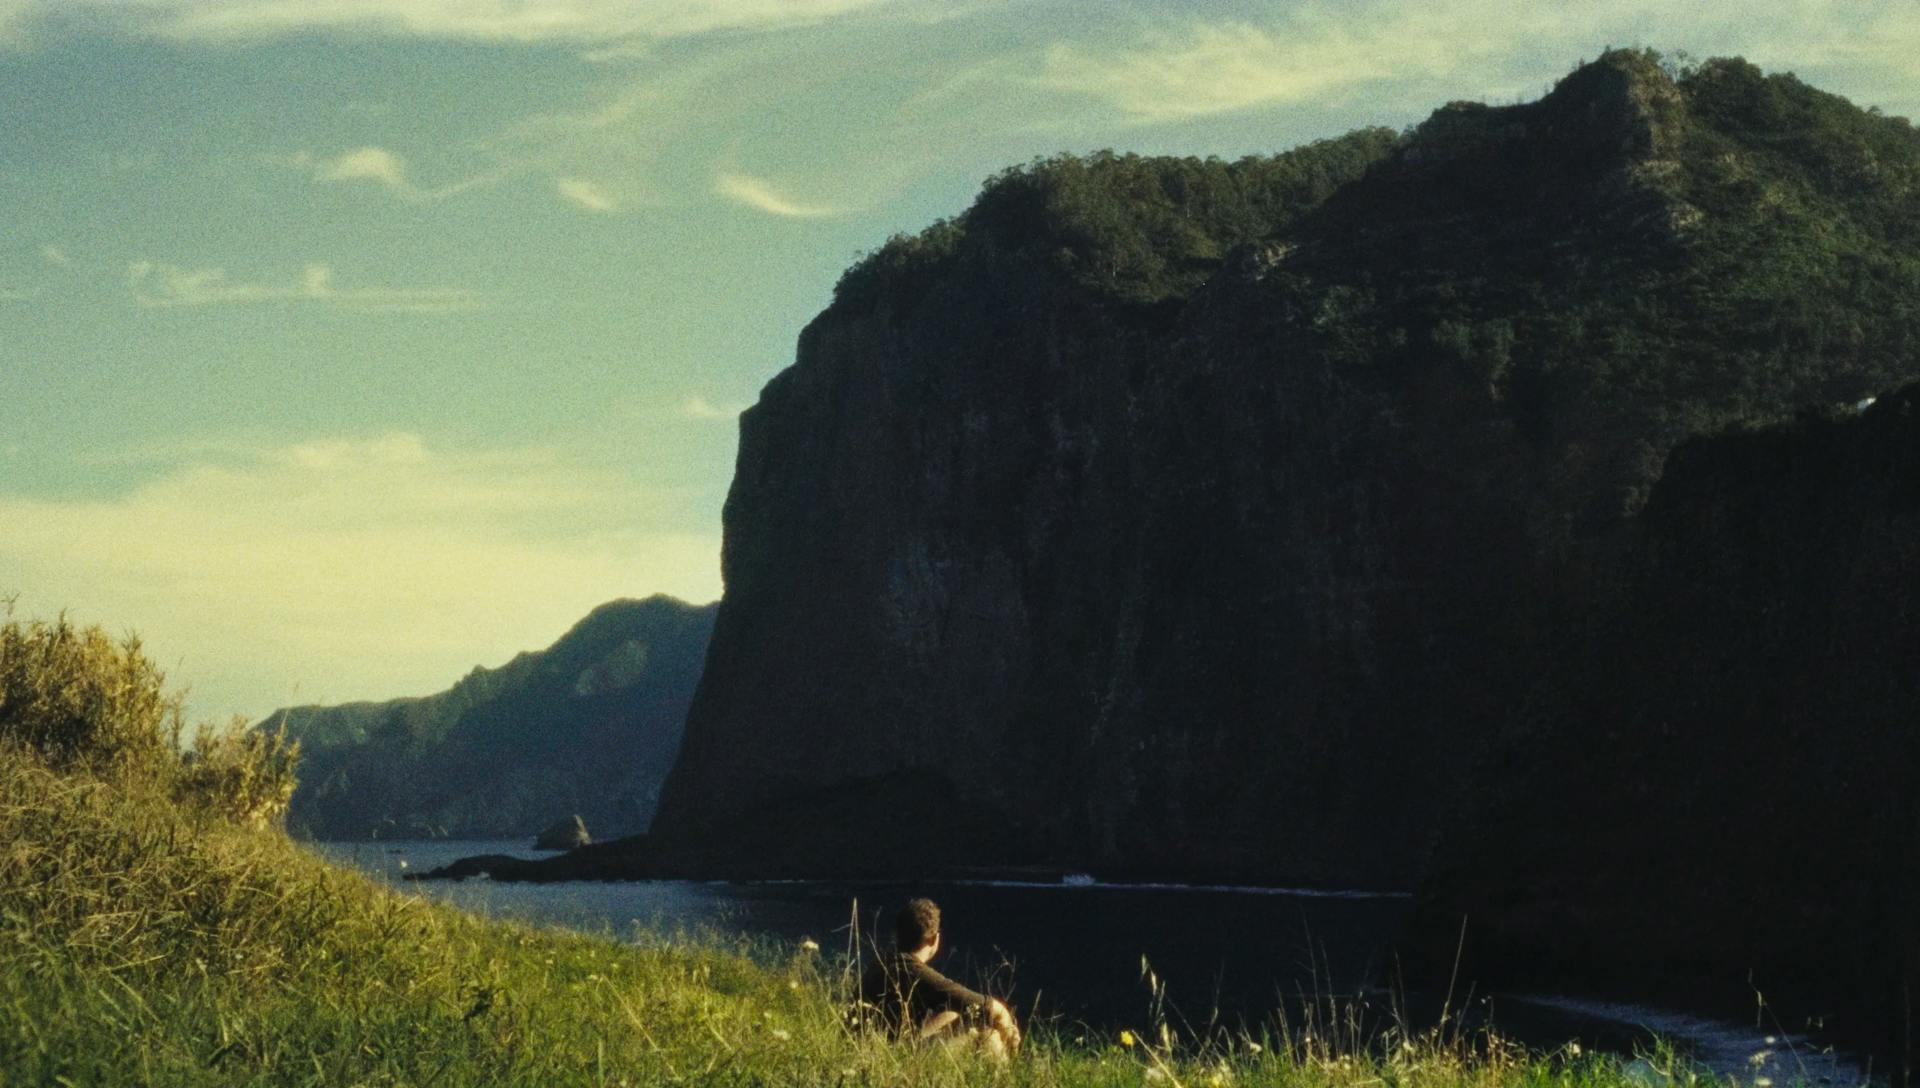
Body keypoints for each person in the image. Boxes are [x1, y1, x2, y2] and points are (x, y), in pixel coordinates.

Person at [856, 897, 1021, 1057]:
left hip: (872, 1046)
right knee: (988, 1033)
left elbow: (959, 1003)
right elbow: (991, 1007)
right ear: (935, 938)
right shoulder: (916, 972)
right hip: (893, 1055)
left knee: (952, 1013)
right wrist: (1009, 1033)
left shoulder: (882, 962)